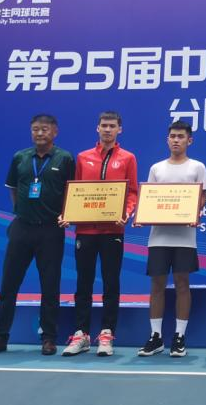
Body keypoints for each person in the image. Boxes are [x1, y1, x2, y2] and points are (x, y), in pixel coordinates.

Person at [0, 114, 75, 357]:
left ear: (55, 132)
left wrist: (64, 215)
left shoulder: (64, 159)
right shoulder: (20, 157)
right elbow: (13, 188)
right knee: (8, 285)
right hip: (22, 227)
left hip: (51, 230)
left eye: (44, 129)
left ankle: (49, 338)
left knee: (50, 286)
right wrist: (21, 211)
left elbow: (72, 192)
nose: (39, 133)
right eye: (35, 129)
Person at [60, 111, 138, 357]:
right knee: (83, 282)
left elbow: (132, 192)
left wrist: (126, 212)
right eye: (104, 125)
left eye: (112, 126)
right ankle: (81, 334)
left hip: (113, 230)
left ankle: (106, 334)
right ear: (97, 128)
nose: (107, 129)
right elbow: (75, 191)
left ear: (119, 130)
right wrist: (68, 213)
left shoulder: (128, 158)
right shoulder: (83, 157)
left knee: (111, 282)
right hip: (85, 230)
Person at [137, 121, 206, 358]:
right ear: (167, 140)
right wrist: (143, 216)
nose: (176, 140)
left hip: (185, 238)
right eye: (172, 136)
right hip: (158, 237)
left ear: (190, 140)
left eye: (181, 136)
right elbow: (149, 200)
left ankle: (179, 336)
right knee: (157, 285)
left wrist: (194, 214)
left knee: (182, 284)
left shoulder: (197, 167)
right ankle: (156, 336)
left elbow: (201, 199)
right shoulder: (157, 168)